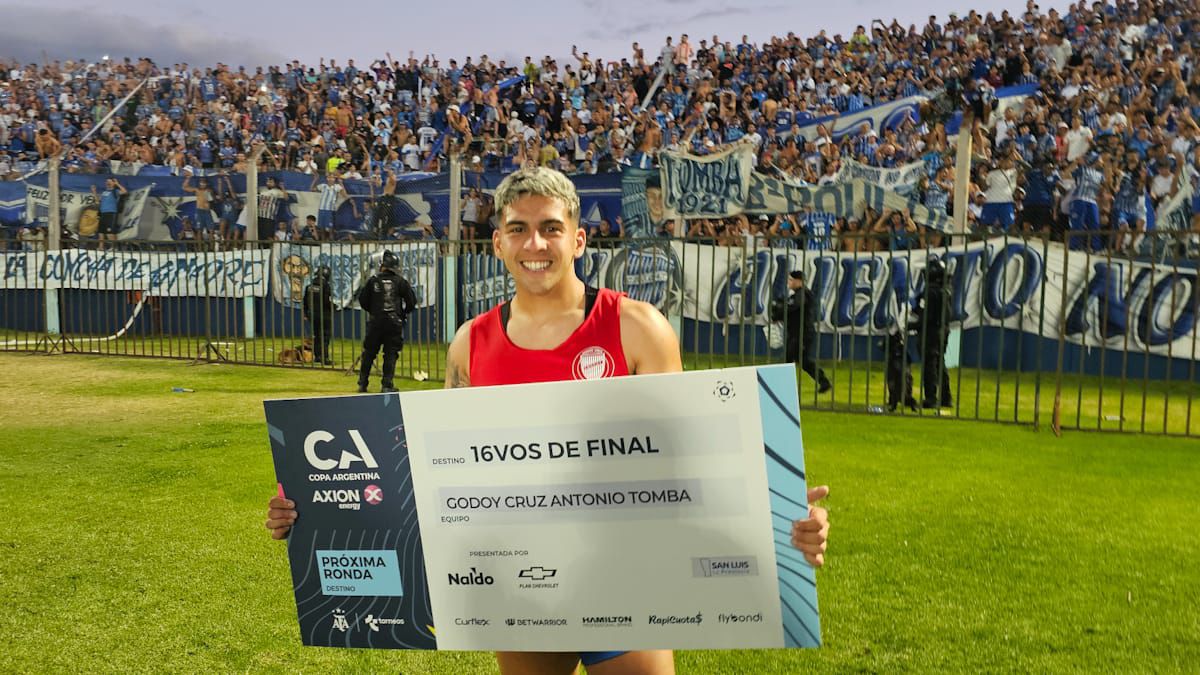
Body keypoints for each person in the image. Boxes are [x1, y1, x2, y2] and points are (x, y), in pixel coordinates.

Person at [266, 167, 831, 675]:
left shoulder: (637, 328)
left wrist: (779, 513)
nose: (534, 243)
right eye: (517, 228)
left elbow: (688, 463)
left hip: (628, 579)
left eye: (551, 228)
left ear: (578, 240)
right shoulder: (469, 345)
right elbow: (436, 478)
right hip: (519, 589)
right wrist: (314, 510)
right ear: (497, 243)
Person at [355, 250, 416, 393]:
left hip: (376, 322)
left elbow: (363, 300)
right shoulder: (400, 281)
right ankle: (386, 384)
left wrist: (374, 311)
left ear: (382, 265)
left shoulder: (373, 280)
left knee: (369, 353)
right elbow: (412, 302)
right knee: (390, 354)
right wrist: (402, 314)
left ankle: (363, 383)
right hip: (394, 323)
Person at [774, 271, 832, 393]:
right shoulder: (798, 295)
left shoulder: (802, 294)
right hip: (797, 333)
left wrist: (780, 311)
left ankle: (783, 387)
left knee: (790, 360)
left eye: (791, 280)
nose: (789, 283)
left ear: (798, 281)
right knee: (800, 361)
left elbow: (793, 307)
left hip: (801, 333)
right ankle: (823, 382)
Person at [910, 258, 952, 409]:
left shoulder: (930, 292)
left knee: (929, 365)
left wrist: (910, 325)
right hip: (943, 330)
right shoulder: (946, 290)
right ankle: (946, 397)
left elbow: (926, 317)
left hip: (931, 332)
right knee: (940, 363)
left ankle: (931, 398)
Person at [302, 265, 335, 365]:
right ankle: (324, 358)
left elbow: (305, 301)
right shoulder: (325, 286)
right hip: (323, 314)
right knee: (325, 336)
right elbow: (326, 301)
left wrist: (306, 313)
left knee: (316, 335)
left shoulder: (309, 286)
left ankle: (317, 356)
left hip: (312, 314)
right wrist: (334, 307)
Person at [90, 177, 126, 249]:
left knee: (110, 232)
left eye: (110, 182)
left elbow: (124, 191)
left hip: (111, 213)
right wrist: (94, 191)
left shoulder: (115, 191)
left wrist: (117, 184)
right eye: (107, 181)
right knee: (101, 231)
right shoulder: (104, 192)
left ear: (113, 183)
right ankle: (101, 247)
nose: (108, 183)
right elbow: (98, 201)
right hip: (103, 213)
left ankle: (114, 247)